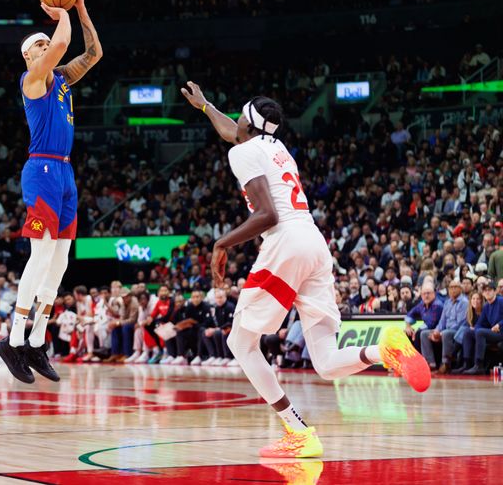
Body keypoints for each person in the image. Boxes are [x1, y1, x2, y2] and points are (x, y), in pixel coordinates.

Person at [180, 86, 430, 458]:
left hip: (285, 243)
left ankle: (298, 432)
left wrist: (222, 244)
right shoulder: (275, 148)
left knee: (240, 343)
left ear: (248, 123)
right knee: (327, 362)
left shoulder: (243, 152)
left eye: (240, 118)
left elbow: (267, 215)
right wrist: (205, 107)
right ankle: (385, 348)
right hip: (314, 242)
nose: (236, 123)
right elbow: (232, 129)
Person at [0, 0, 103, 385]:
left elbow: (93, 53)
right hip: (40, 170)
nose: (48, 49)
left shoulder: (61, 79)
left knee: (59, 263)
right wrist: (60, 14)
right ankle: (12, 340)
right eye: (39, 47)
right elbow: (61, 46)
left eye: (46, 44)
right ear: (29, 56)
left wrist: (79, 7)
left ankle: (37, 341)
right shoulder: (33, 81)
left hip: (64, 171)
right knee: (40, 256)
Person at [419, 279, 468, 373]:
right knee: (424, 334)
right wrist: (436, 331)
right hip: (445, 331)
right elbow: (442, 321)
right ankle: (431, 363)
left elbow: (461, 323)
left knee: (446, 333)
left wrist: (441, 333)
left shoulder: (464, 302)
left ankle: (446, 364)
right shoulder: (447, 302)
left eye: (455, 287)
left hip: (457, 332)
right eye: (451, 287)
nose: (453, 290)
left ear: (460, 289)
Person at [463, 282, 503, 375]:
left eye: (490, 290)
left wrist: (499, 324)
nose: (487, 292)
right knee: (468, 332)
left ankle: (479, 365)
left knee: (480, 332)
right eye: (485, 291)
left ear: (495, 291)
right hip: (494, 332)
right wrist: (475, 329)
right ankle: (466, 364)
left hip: (501, 331)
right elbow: (480, 323)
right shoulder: (486, 306)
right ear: (483, 293)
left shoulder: (501, 301)